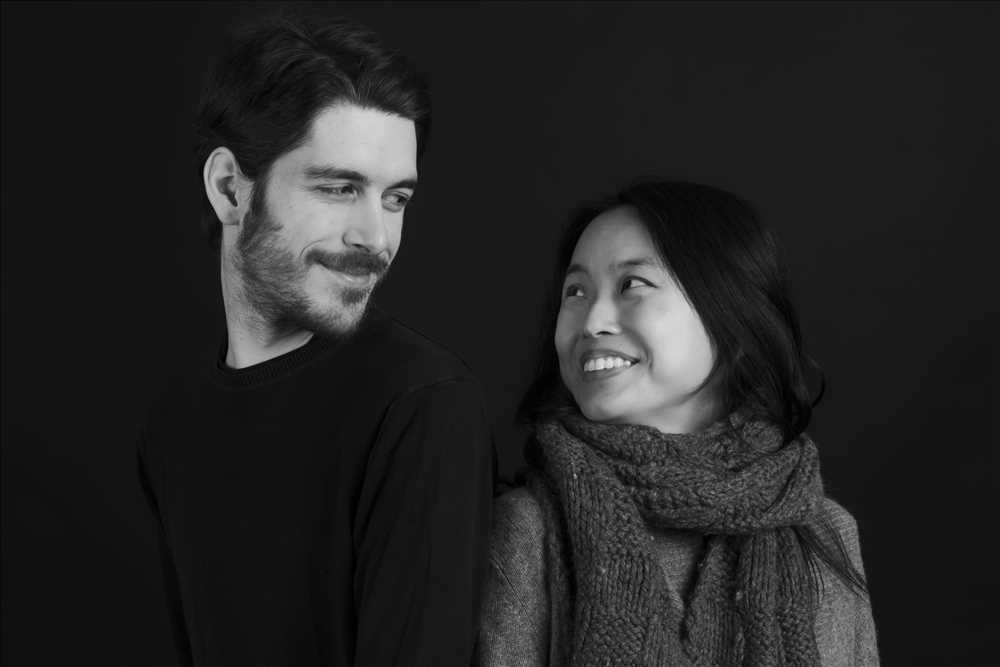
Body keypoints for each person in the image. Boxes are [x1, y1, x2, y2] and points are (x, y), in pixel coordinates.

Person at [137, 14, 494, 666]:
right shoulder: (172, 427)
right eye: (339, 188)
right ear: (229, 189)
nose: (376, 237)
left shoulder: (422, 405)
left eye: (396, 198)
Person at [477, 181, 879, 666]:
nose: (592, 322)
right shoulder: (528, 531)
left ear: (732, 322)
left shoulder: (824, 534)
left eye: (632, 285)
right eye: (576, 291)